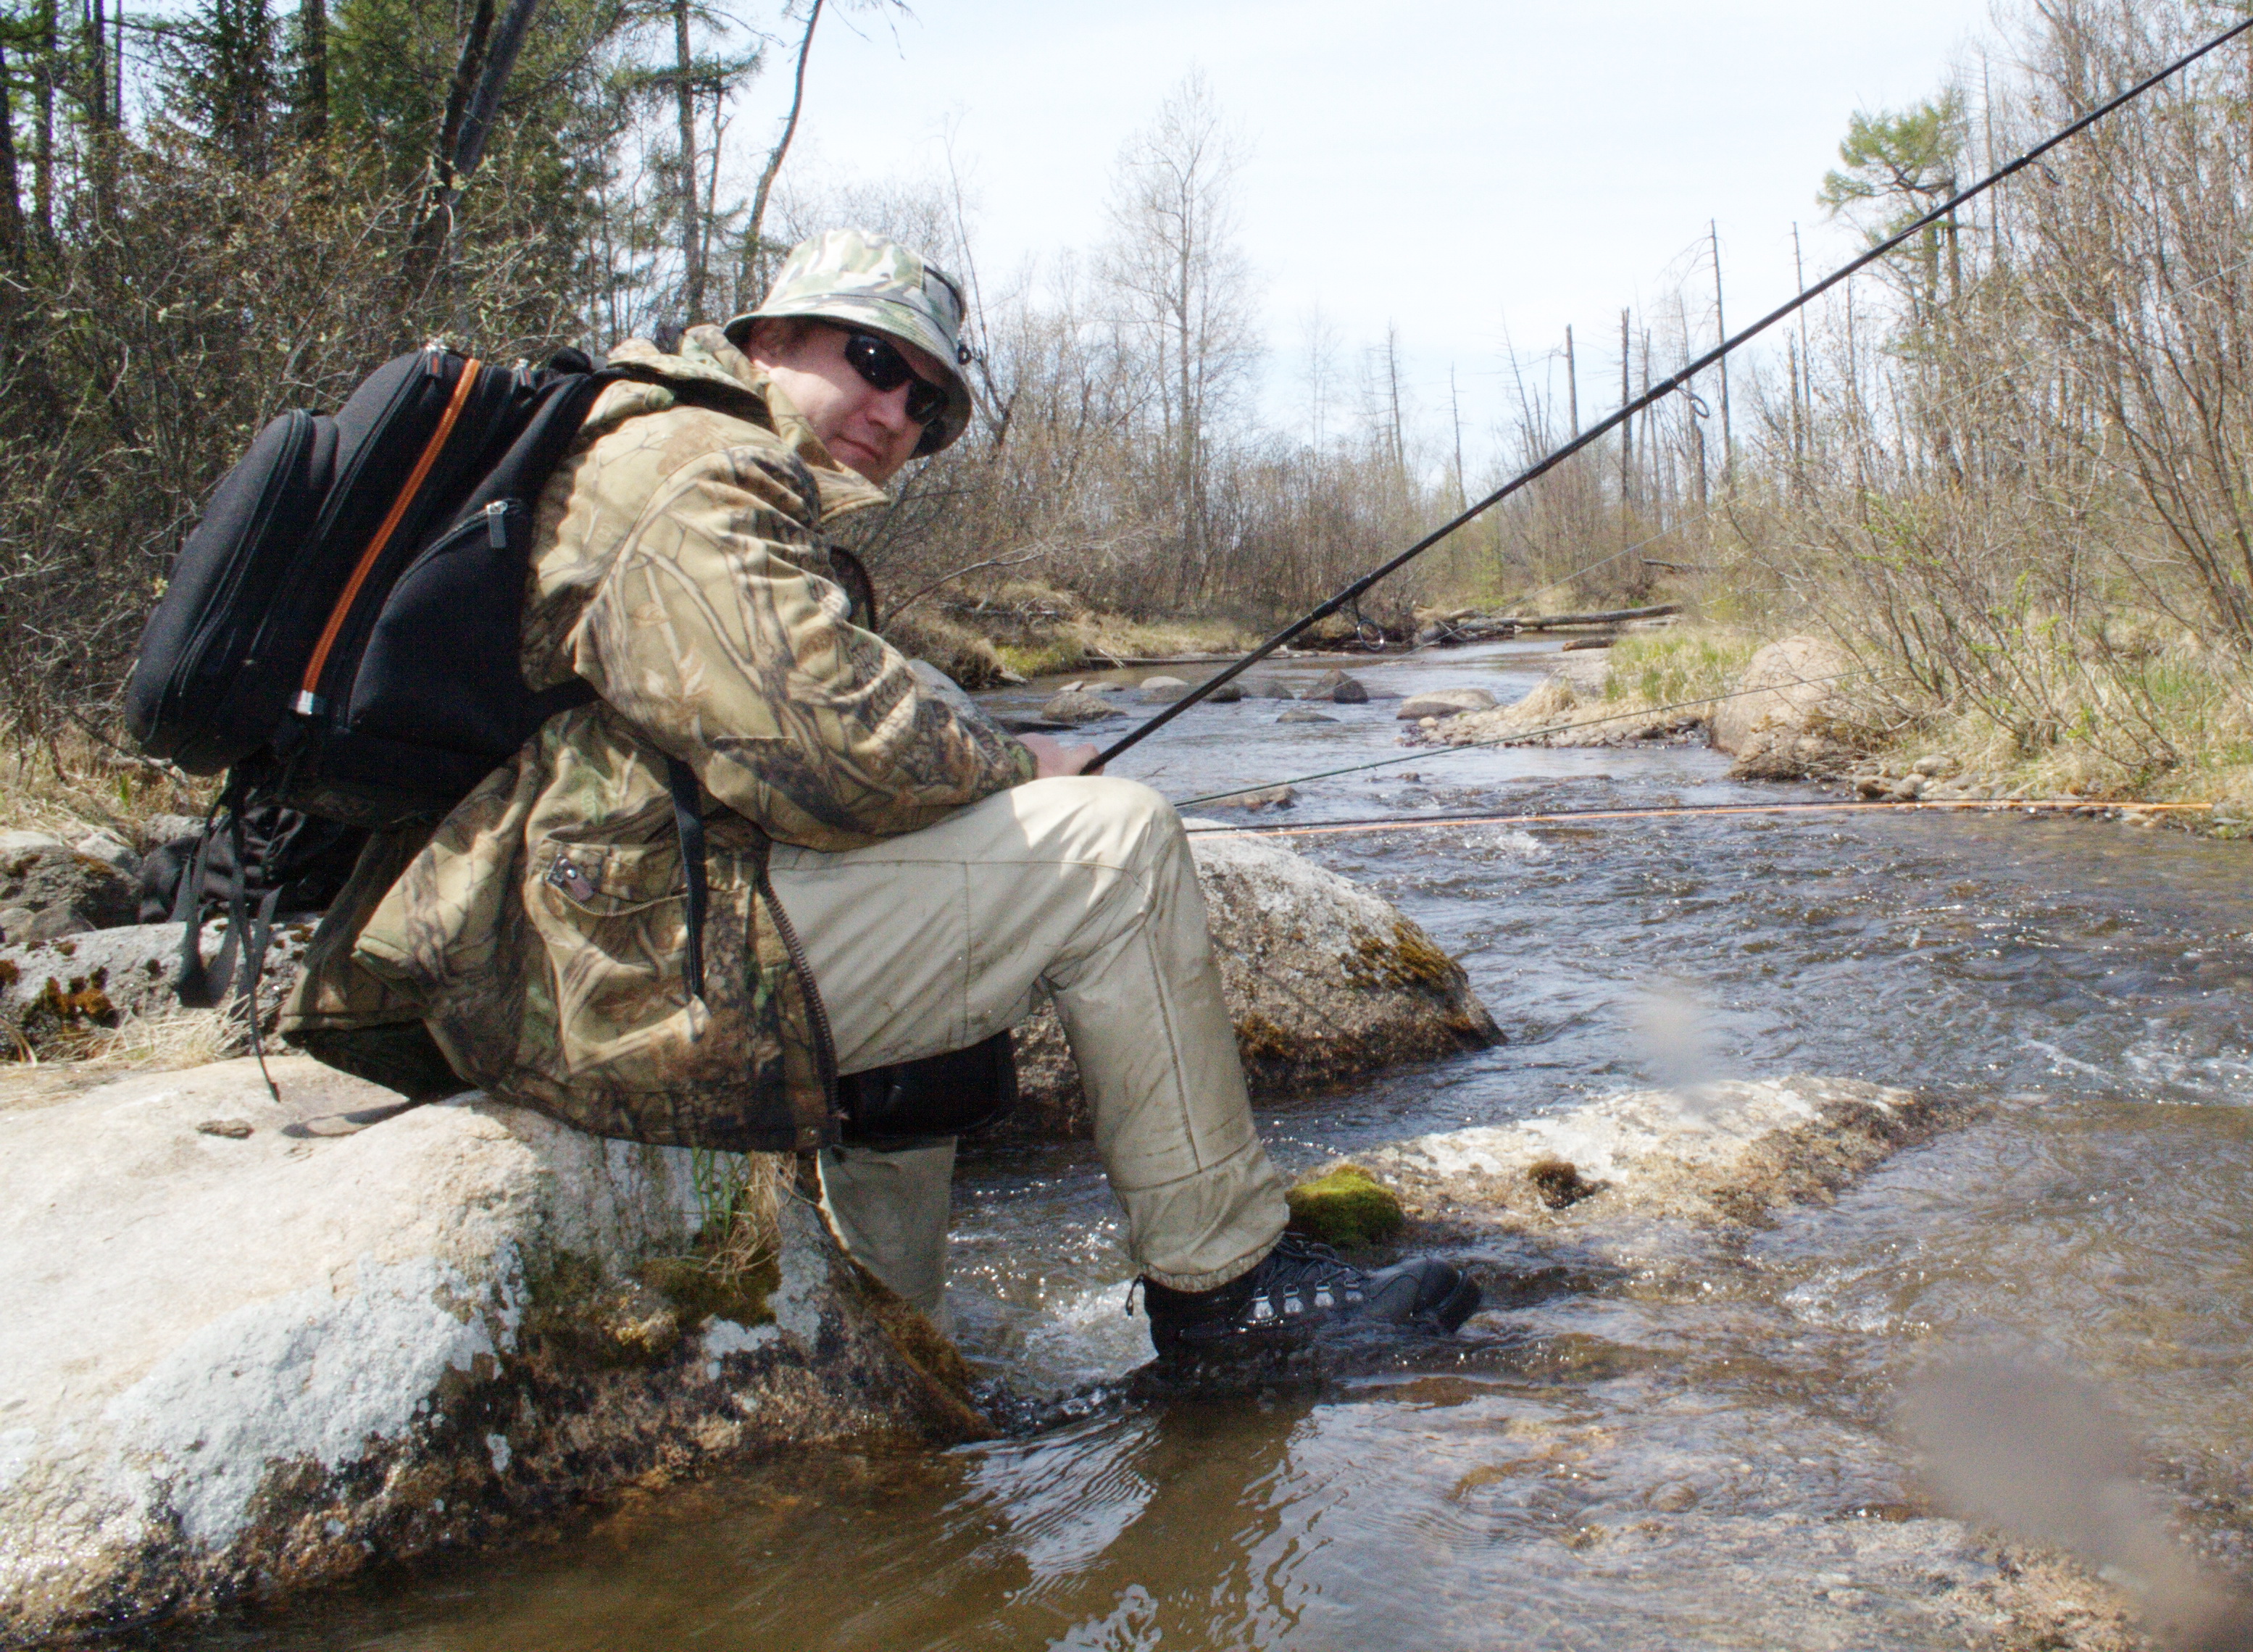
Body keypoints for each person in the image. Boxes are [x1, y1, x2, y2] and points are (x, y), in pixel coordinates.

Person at [283, 228, 1479, 1359]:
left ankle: (892, 1331)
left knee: (951, 857)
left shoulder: (698, 463)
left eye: (928, 404)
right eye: (873, 360)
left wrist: (972, 773)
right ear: (770, 340)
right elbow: (821, 741)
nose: (897, 413)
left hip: (595, 934)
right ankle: (1229, 1295)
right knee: (1115, 851)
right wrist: (1021, 766)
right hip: (581, 971)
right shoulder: (691, 467)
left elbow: (807, 733)